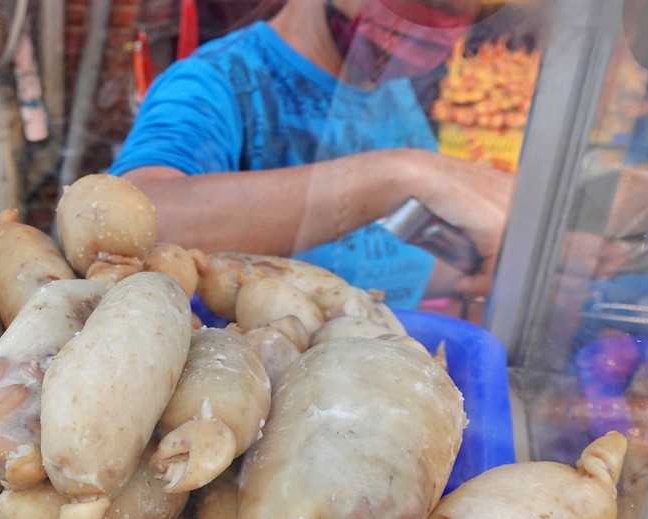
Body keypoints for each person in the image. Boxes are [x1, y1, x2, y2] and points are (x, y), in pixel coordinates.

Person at [108, 0, 516, 309]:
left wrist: (472, 272)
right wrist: (402, 176)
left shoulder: (391, 92)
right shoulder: (218, 82)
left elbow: (378, 252)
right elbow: (131, 220)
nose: (427, 32)